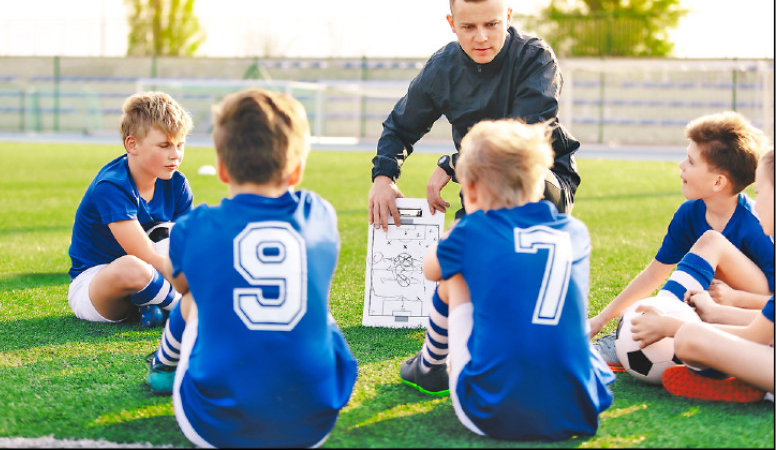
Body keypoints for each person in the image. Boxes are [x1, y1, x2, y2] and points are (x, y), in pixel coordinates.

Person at [146, 88, 358, 448]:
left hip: (214, 427)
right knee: (313, 300)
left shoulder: (195, 226)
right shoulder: (320, 214)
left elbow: (183, 286)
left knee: (194, 298)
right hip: (314, 424)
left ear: (223, 168)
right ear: (297, 170)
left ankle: (163, 366)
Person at [399, 118, 614, 440]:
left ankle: (429, 366)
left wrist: (455, 233)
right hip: (580, 408)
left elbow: (431, 269)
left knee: (452, 278)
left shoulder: (472, 231)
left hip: (493, 413)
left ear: (469, 187)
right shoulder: (575, 232)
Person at [369, 0, 581, 232]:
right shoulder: (442, 68)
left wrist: (452, 164)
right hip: (477, 190)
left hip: (540, 181)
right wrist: (383, 178)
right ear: (452, 24)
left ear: (508, 16)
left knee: (520, 179)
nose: (481, 37)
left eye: (491, 24)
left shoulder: (536, 58)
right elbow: (399, 128)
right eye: (468, 27)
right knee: (459, 261)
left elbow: (521, 139)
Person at [589, 112, 773, 370]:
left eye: (690, 161)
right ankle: (643, 336)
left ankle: (644, 331)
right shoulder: (689, 214)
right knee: (696, 288)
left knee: (712, 242)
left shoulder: (757, 224)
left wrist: (736, 298)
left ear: (718, 181)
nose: (681, 166)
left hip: (756, 315)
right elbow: (654, 274)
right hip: (719, 314)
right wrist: (599, 320)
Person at [630, 148, 774, 403]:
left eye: (760, 194)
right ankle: (746, 380)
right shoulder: (691, 213)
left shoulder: (753, 227)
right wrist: (716, 312)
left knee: (688, 339)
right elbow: (764, 325)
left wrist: (671, 326)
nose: (756, 202)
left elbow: (755, 336)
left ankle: (746, 381)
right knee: (700, 331)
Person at [66, 91, 193, 326]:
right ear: (132, 144)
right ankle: (189, 311)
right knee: (132, 267)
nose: (175, 155)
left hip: (155, 274)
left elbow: (186, 245)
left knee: (178, 238)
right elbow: (144, 256)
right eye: (165, 145)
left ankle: (157, 307)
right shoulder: (112, 185)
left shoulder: (177, 183)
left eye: (180, 144)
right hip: (99, 284)